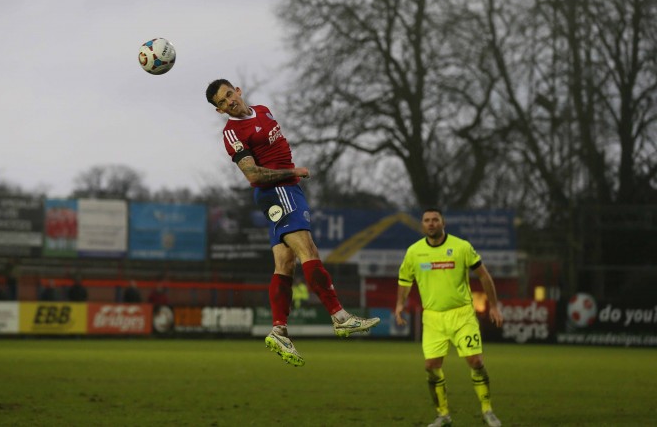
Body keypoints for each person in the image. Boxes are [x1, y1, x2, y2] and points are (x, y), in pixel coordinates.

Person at [206, 79, 380, 366]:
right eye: (222, 103)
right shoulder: (232, 133)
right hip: (279, 191)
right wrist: (292, 171)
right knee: (308, 251)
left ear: (237, 90)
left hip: (286, 191)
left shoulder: (263, 110)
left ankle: (279, 331)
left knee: (285, 264)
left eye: (228, 95)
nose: (229, 103)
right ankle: (340, 317)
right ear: (219, 110)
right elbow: (253, 176)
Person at [394, 208, 504, 427]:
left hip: (462, 314)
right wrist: (399, 305)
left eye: (435, 220)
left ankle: (487, 410)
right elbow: (405, 281)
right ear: (422, 225)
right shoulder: (414, 252)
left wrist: (493, 306)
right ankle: (443, 415)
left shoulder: (461, 247)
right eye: (427, 220)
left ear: (443, 223)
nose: (431, 223)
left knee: (476, 361)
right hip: (433, 318)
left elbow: (483, 275)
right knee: (431, 366)